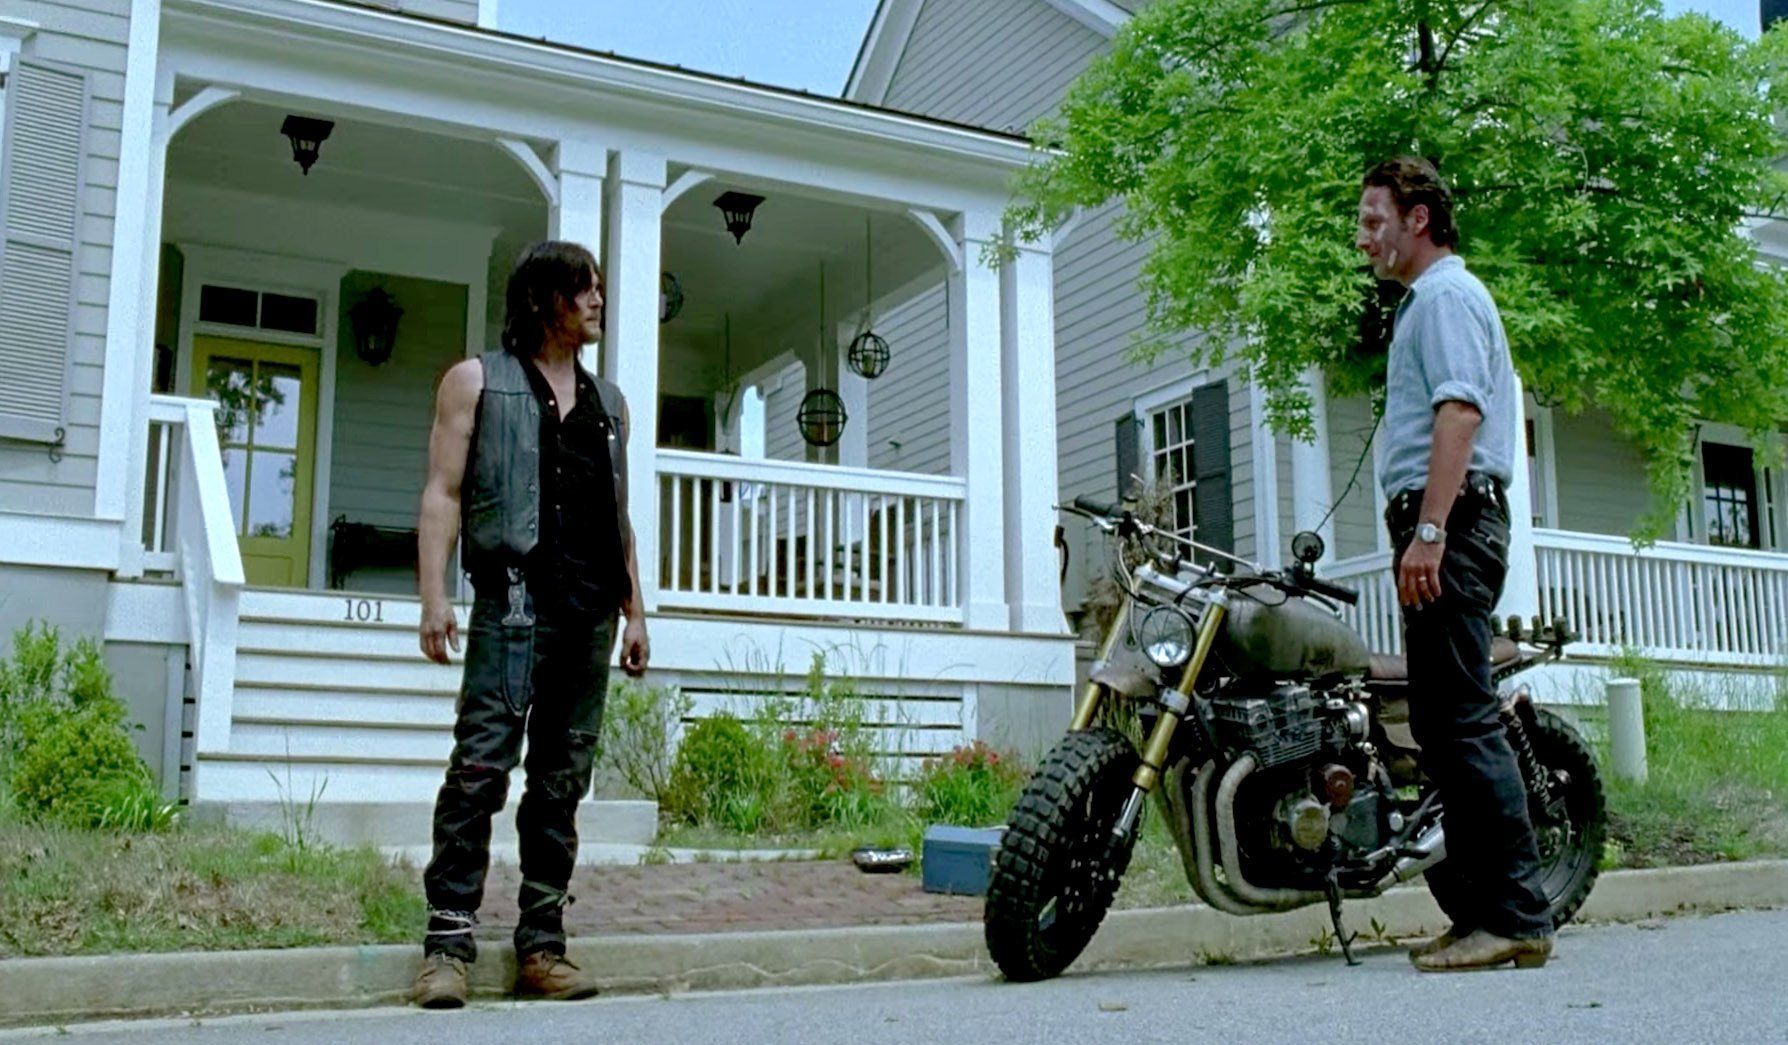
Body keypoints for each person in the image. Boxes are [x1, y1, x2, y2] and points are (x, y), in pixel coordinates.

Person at [410, 240, 650, 1007]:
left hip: (589, 618)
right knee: (479, 772)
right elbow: (443, 493)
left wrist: (635, 611)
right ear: (545, 299)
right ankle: (448, 945)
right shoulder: (476, 381)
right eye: (584, 288)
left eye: (599, 288)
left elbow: (618, 515)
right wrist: (434, 597)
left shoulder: (610, 404)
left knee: (560, 785)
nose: (597, 300)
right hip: (510, 609)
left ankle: (542, 946)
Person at [1354, 156, 1553, 972]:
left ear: (1419, 219)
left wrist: (1431, 531)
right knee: (1440, 724)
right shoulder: (1426, 303)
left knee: (1464, 719)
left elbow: (1461, 413)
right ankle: (1481, 916)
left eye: (1374, 220)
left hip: (1455, 521)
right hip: (1445, 520)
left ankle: (1516, 915)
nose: (1363, 238)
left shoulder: (1444, 297)